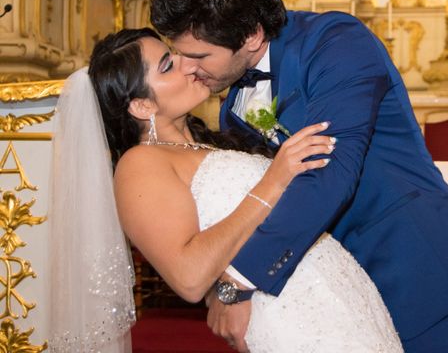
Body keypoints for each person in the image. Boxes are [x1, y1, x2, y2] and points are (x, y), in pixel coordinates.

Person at [150, 0, 448, 352]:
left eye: (197, 56)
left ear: (251, 35)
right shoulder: (233, 109)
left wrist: (237, 280)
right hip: (335, 292)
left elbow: (329, 171)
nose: (186, 67)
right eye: (176, 53)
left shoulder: (336, 43)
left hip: (415, 268)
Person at [48, 28, 403, 352]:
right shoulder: (139, 164)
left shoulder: (211, 142)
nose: (189, 66)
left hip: (338, 292)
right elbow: (188, 277)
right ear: (142, 105)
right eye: (169, 65)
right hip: (285, 309)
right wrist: (273, 180)